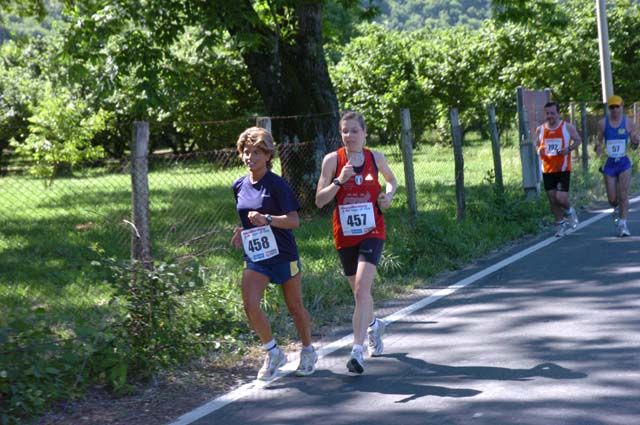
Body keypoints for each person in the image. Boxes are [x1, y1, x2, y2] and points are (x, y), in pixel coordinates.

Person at [230, 126, 317, 381]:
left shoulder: (277, 185)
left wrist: (267, 219)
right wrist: (241, 230)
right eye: (246, 152)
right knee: (250, 304)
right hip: (257, 256)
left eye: (257, 152)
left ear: (268, 155)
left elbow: (294, 221)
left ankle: (308, 350)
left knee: (295, 307)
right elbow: (247, 216)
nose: (250, 158)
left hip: (283, 254)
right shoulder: (238, 185)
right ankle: (273, 352)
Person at [315, 111, 398, 374]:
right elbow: (319, 200)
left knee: (362, 290)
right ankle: (374, 325)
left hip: (373, 230)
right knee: (359, 294)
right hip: (345, 235)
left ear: (364, 133)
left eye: (354, 131)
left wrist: (389, 197)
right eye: (345, 131)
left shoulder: (376, 157)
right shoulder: (332, 161)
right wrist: (340, 180)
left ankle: (357, 352)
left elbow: (392, 181)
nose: (349, 136)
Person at [595, 95, 640, 237]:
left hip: (624, 162)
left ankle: (623, 224)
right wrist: (598, 147)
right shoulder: (603, 123)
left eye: (617, 107)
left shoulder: (629, 123)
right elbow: (599, 140)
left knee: (623, 195)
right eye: (611, 107)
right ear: (609, 109)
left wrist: (635, 141)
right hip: (609, 163)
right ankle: (616, 208)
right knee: (612, 199)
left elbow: (633, 145)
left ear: (622, 107)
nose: (614, 110)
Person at [535, 101, 582, 237]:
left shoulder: (567, 127)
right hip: (547, 169)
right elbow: (537, 145)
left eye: (552, 113)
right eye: (547, 113)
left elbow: (578, 140)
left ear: (558, 113)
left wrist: (568, 149)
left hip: (563, 168)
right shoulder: (541, 129)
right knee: (552, 199)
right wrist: (539, 150)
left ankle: (570, 211)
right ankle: (561, 225)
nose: (549, 116)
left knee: (560, 197)